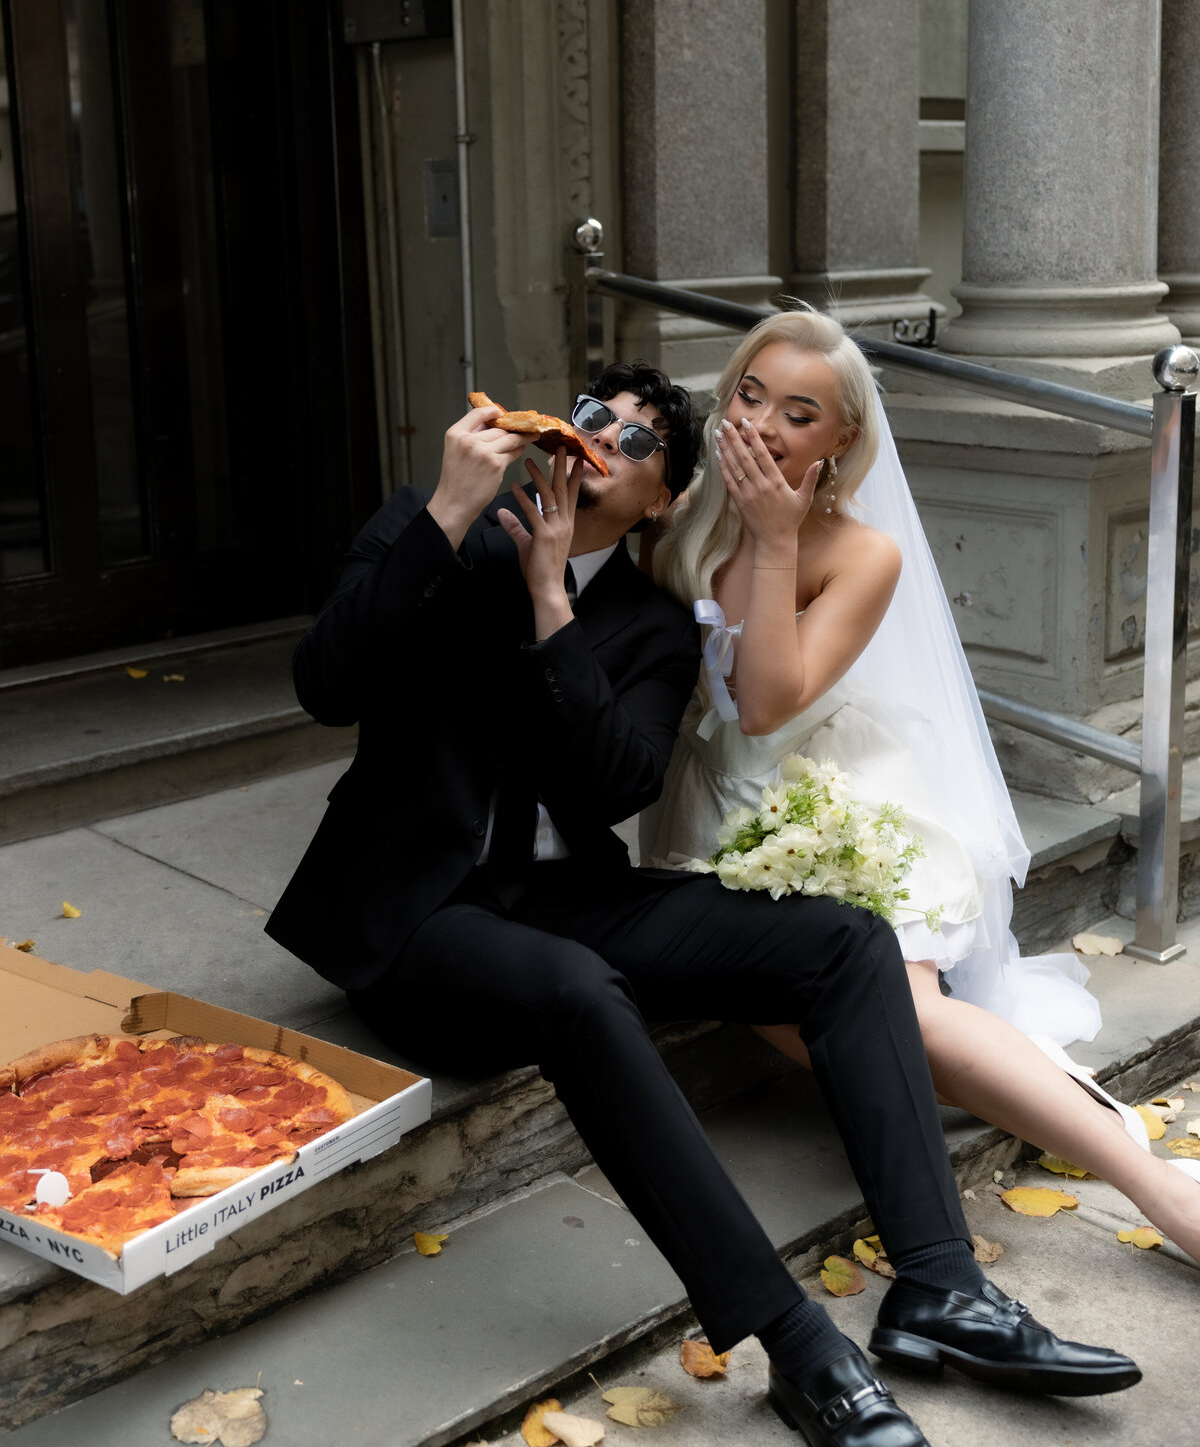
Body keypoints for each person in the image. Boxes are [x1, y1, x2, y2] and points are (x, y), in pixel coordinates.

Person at [269, 361, 1138, 1447]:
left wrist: (552, 608)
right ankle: (794, 1341)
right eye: (591, 420)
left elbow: (615, 784)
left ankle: (941, 1285)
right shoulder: (434, 532)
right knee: (584, 993)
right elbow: (324, 683)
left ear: (661, 499)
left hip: (561, 897)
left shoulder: (645, 621)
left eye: (637, 445)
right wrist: (449, 511)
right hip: (416, 917)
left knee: (845, 941)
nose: (601, 445)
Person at [642, 308, 1200, 1265]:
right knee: (830, 1021)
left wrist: (776, 544)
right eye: (751, 394)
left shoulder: (864, 552)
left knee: (906, 1010)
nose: (767, 424)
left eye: (801, 412)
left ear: (844, 439)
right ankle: (1075, 1115)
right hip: (709, 811)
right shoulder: (688, 510)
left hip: (833, 793)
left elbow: (771, 704)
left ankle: (1160, 1189)